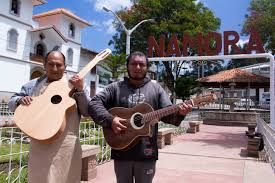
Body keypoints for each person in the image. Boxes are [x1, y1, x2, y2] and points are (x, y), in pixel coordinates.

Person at [88, 51, 192, 183]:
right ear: (128, 66)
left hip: (146, 152)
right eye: (134, 64)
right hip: (121, 149)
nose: (137, 67)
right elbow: (94, 103)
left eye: (141, 64)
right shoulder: (115, 88)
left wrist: (180, 113)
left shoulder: (156, 89)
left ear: (147, 67)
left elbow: (168, 115)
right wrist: (111, 120)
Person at [8, 50, 90, 183]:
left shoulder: (76, 86)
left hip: (66, 148)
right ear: (44, 65)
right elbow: (12, 102)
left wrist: (80, 91)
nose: (55, 69)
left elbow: (87, 111)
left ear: (65, 66)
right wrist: (19, 101)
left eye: (59, 65)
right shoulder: (32, 85)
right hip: (39, 147)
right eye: (50, 64)